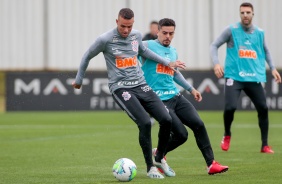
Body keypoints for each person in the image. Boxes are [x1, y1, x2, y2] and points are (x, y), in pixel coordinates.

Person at [72, 8, 186, 179]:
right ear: (117, 22)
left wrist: (167, 62)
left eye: (130, 26)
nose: (126, 30)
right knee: (145, 123)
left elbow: (144, 51)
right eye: (123, 26)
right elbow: (87, 56)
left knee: (166, 119)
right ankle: (150, 168)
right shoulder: (105, 39)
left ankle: (159, 157)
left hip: (141, 84)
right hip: (121, 87)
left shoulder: (137, 35)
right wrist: (79, 80)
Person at [140, 18, 229, 175]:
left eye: (171, 33)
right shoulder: (147, 45)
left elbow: (174, 73)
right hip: (158, 100)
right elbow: (131, 51)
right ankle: (159, 154)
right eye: (165, 33)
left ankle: (211, 164)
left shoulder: (173, 51)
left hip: (175, 96)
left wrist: (191, 89)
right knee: (182, 134)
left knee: (198, 124)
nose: (168, 36)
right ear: (158, 32)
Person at [210, 2, 281, 153]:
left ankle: (264, 145)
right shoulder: (231, 30)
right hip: (234, 77)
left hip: (253, 77)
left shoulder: (260, 33)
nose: (245, 15)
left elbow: (266, 51)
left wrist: (273, 68)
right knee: (230, 107)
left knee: (263, 108)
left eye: (248, 12)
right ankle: (227, 134)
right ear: (240, 14)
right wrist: (216, 64)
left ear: (252, 14)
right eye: (242, 13)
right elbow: (214, 45)